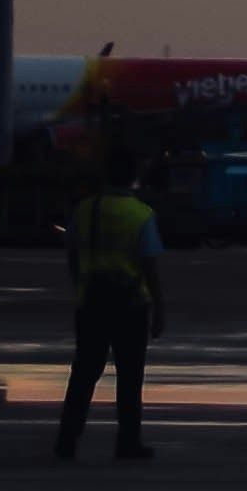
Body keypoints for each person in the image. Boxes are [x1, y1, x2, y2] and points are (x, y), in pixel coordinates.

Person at [58, 159, 165, 464]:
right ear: (133, 176)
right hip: (130, 304)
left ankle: (67, 440)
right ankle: (128, 443)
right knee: (130, 377)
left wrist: (80, 288)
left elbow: (73, 255)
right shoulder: (140, 214)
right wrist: (159, 308)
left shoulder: (85, 210)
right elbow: (150, 266)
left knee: (84, 373)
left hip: (92, 301)